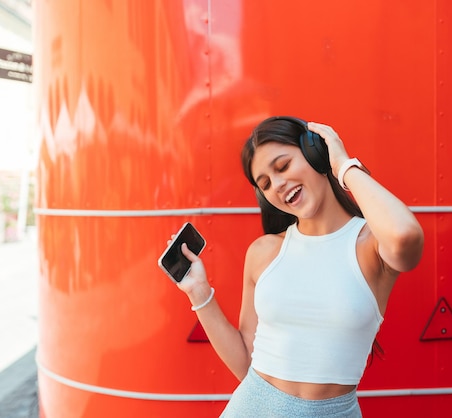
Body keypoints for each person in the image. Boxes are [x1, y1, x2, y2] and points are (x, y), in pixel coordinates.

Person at [166, 117, 424, 417]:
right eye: (265, 184)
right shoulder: (264, 252)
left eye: (282, 166)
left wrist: (341, 165)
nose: (277, 185)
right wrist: (199, 293)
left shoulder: (371, 246)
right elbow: (246, 363)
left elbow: (406, 236)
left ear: (316, 153)